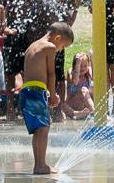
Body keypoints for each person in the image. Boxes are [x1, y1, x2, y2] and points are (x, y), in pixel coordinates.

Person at [19, 21, 74, 174]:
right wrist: (52, 95)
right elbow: (51, 73)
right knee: (43, 128)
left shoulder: (33, 45)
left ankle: (39, 164)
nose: (60, 49)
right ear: (57, 38)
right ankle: (41, 165)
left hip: (27, 91)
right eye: (63, 46)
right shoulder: (49, 47)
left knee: (39, 129)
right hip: (36, 91)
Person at [63, 50, 95, 121]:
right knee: (62, 104)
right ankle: (93, 112)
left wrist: (92, 59)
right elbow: (75, 82)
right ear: (75, 65)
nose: (83, 68)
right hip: (73, 104)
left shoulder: (88, 72)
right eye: (80, 65)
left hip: (84, 106)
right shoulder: (71, 72)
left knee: (93, 89)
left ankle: (83, 113)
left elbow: (95, 78)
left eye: (85, 66)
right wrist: (78, 63)